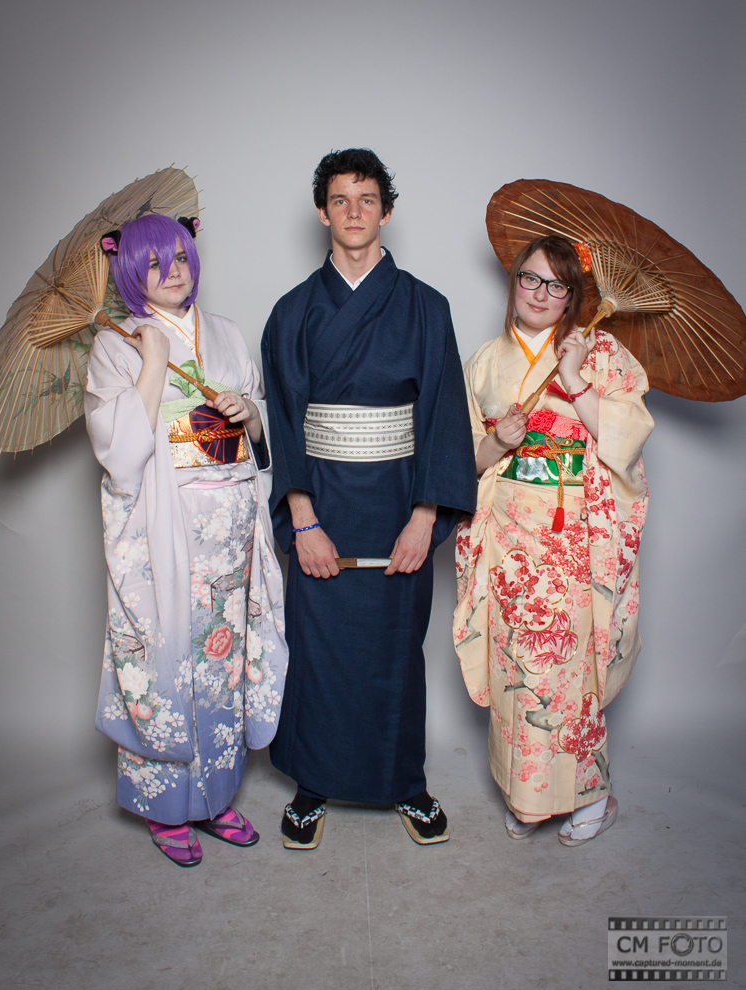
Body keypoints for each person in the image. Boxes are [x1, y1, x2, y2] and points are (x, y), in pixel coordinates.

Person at [261, 148, 475, 849]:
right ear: (322, 212)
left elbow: (443, 416)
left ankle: (404, 782)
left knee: (396, 649)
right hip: (320, 499)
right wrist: (303, 521)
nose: (354, 212)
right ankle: (313, 783)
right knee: (317, 646)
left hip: (398, 502)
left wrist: (424, 517)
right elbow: (284, 423)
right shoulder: (292, 312)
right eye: (340, 200)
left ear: (386, 209)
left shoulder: (426, 307)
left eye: (367, 199)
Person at [86, 214, 286, 866]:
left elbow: (259, 419)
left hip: (229, 532)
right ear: (128, 271)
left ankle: (215, 798)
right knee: (164, 658)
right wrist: (151, 364)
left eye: (179, 257)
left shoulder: (224, 332)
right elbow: (120, 455)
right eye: (152, 263)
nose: (171, 271)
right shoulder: (117, 344)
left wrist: (248, 413)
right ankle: (163, 807)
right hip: (165, 529)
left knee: (221, 661)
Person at [453, 235, 653, 845]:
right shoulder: (485, 361)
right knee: (515, 665)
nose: (541, 294)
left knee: (569, 666)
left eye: (557, 284)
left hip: (573, 538)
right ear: (514, 282)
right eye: (531, 279)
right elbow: (464, 461)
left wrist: (574, 378)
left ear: (573, 295)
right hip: (508, 537)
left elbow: (627, 439)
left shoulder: (599, 352)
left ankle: (588, 793)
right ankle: (527, 794)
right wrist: (499, 441)